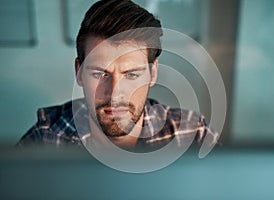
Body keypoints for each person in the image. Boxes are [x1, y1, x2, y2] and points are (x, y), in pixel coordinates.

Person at [17, 0, 219, 151]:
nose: (115, 94)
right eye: (99, 74)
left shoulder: (192, 135)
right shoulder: (46, 138)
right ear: (79, 72)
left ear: (152, 73)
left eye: (131, 75)